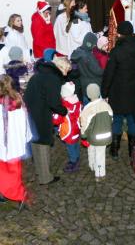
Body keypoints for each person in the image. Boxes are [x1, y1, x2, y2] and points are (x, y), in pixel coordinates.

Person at [101, 21, 135, 160]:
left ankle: (115, 149)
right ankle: (132, 150)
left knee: (116, 119)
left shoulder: (117, 51)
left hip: (118, 92)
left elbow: (109, 73)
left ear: (120, 34)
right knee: (133, 120)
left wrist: (104, 92)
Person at [24, 56, 71, 185]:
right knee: (44, 142)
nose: (67, 74)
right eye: (67, 70)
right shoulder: (53, 79)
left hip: (30, 112)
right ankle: (46, 178)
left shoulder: (40, 74)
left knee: (35, 141)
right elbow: (53, 102)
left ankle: (39, 172)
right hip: (41, 114)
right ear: (60, 68)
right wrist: (64, 111)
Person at [0, 74, 32, 208]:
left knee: (3, 170)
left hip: (3, 144)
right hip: (15, 144)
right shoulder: (18, 101)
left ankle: (7, 193)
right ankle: (18, 196)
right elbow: (25, 122)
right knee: (14, 171)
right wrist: (25, 138)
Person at [80, 83, 113, 182]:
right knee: (100, 154)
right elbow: (111, 119)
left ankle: (95, 168)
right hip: (105, 135)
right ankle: (99, 172)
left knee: (92, 149)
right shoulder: (106, 105)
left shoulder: (87, 108)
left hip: (92, 136)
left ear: (88, 95)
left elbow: (84, 124)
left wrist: (83, 135)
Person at [53, 82, 82, 173]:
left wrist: (53, 116)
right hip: (76, 129)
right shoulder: (77, 102)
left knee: (70, 147)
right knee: (75, 144)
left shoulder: (64, 106)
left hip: (68, 131)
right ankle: (77, 157)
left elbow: (57, 120)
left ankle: (73, 162)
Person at [71, 32, 103, 104]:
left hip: (84, 83)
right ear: (89, 43)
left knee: (86, 103)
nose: (94, 46)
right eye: (94, 44)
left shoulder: (78, 51)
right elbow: (98, 71)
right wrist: (106, 69)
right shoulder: (88, 56)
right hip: (93, 84)